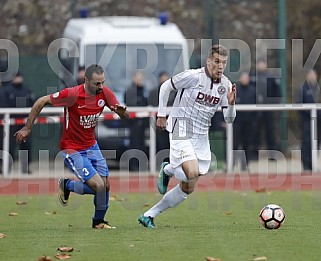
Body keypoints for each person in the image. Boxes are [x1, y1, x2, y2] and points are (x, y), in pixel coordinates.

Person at [14, 64, 129, 228]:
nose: (101, 86)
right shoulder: (72, 94)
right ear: (86, 81)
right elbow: (41, 101)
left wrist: (122, 111)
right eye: (97, 83)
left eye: (103, 82)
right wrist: (28, 127)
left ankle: (98, 222)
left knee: (106, 186)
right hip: (72, 149)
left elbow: (125, 116)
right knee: (98, 186)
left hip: (92, 146)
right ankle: (67, 184)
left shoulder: (104, 93)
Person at [138, 45, 236, 228]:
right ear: (208, 61)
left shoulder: (226, 86)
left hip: (201, 135)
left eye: (223, 62)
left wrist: (230, 104)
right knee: (190, 172)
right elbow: (166, 86)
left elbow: (229, 119)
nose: (220, 66)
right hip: (180, 127)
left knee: (189, 186)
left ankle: (149, 214)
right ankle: (168, 169)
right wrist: (161, 114)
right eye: (216, 61)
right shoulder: (193, 76)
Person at [3, 72, 36, 174]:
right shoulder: (7, 91)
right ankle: (6, 167)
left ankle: (25, 168)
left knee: (26, 146)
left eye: (19, 77)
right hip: (10, 124)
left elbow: (33, 104)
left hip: (25, 124)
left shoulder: (27, 90)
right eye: (16, 77)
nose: (18, 79)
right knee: (9, 146)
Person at [251, 58, 281, 159]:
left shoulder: (271, 77)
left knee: (270, 133)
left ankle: (272, 155)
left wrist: (275, 105)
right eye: (259, 64)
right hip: (256, 111)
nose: (261, 66)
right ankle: (254, 154)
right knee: (255, 132)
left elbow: (278, 93)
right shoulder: (253, 76)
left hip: (269, 110)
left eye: (262, 63)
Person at [296, 69, 321, 171]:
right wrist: (307, 114)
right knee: (307, 142)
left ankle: (314, 164)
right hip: (307, 121)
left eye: (313, 75)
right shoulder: (302, 89)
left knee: (317, 142)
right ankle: (306, 165)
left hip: (319, 121)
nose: (312, 77)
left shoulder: (318, 89)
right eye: (310, 75)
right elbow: (298, 104)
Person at [148, 71, 176, 164]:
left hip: (171, 122)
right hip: (158, 122)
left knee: (170, 142)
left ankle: (170, 162)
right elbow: (153, 104)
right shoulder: (154, 92)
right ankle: (159, 162)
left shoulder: (174, 93)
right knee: (159, 142)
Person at [124, 71, 149, 171]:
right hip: (134, 123)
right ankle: (133, 165)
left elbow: (145, 103)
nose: (140, 80)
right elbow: (130, 104)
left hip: (142, 123)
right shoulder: (130, 91)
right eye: (138, 78)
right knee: (134, 144)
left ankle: (141, 164)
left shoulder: (143, 90)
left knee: (141, 144)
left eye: (141, 78)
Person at [233, 71, 256, 171]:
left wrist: (254, 120)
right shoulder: (235, 91)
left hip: (249, 122)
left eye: (247, 77)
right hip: (237, 122)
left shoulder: (253, 91)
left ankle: (244, 166)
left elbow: (257, 107)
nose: (245, 80)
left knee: (247, 143)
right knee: (234, 144)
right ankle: (231, 165)